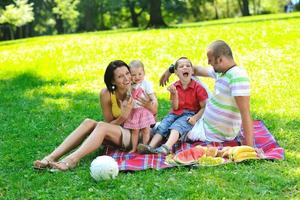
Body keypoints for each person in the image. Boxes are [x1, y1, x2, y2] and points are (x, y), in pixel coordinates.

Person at [33, 60, 157, 171]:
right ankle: (50, 158)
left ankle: (71, 161)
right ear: (113, 81)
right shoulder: (107, 94)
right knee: (88, 122)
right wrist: (123, 117)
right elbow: (109, 123)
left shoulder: (140, 87)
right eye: (120, 76)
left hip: (137, 134)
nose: (127, 79)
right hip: (119, 131)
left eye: (127, 73)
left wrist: (147, 105)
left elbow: (154, 112)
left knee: (102, 126)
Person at [159, 40, 254, 147]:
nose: (208, 63)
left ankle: (154, 129)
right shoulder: (223, 71)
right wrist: (171, 69)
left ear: (220, 60)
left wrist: (250, 147)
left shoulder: (237, 76)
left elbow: (245, 113)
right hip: (205, 119)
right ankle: (186, 113)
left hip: (209, 131)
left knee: (167, 129)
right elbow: (195, 70)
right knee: (190, 74)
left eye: (210, 60)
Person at [138, 57, 208, 154]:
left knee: (177, 127)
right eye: (181, 66)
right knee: (163, 126)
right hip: (175, 113)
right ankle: (150, 147)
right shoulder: (175, 87)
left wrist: (195, 118)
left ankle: (166, 147)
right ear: (176, 72)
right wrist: (174, 94)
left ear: (192, 71)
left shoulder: (198, 88)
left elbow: (204, 106)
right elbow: (175, 107)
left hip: (189, 114)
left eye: (188, 66)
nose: (185, 68)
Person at [123, 60, 156, 153]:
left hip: (144, 110)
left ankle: (145, 147)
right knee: (135, 131)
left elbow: (151, 94)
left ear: (144, 73)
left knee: (146, 129)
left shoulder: (146, 84)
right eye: (133, 75)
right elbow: (128, 96)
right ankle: (134, 148)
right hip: (134, 111)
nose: (137, 77)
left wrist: (153, 99)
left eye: (140, 74)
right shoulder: (130, 85)